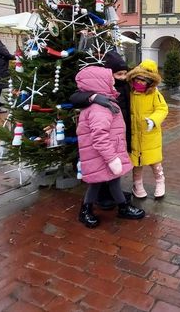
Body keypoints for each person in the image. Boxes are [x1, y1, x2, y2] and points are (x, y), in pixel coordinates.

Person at [74, 65, 145, 228]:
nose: (113, 87)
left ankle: (122, 207)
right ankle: (85, 210)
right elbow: (100, 137)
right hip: (103, 155)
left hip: (106, 153)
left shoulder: (105, 103)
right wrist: (112, 159)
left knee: (113, 181)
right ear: (100, 85)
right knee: (96, 183)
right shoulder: (100, 109)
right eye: (110, 83)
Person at [70, 51, 132, 210]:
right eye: (118, 75)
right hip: (106, 145)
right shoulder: (99, 105)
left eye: (125, 74)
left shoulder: (119, 89)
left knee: (112, 178)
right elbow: (99, 135)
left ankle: (119, 205)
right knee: (100, 180)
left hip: (117, 136)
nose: (122, 78)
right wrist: (93, 97)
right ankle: (96, 205)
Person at [126, 60, 169, 199]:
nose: (140, 82)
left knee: (155, 161)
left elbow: (162, 108)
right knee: (136, 163)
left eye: (144, 80)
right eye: (138, 79)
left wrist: (153, 120)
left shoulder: (154, 94)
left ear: (150, 81)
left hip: (150, 135)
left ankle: (160, 181)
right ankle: (137, 184)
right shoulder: (130, 92)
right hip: (134, 135)